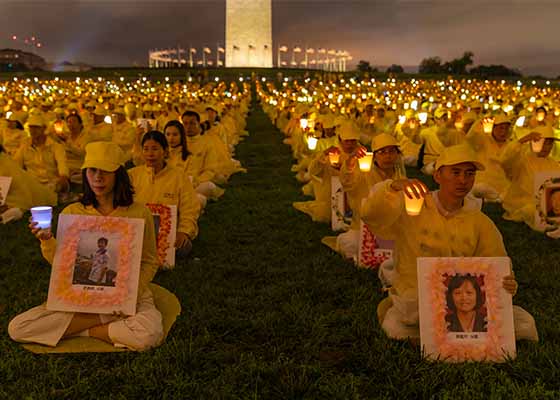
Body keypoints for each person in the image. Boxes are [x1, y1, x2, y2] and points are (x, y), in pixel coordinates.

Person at [361, 144, 538, 341]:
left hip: (464, 299)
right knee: (397, 326)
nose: (462, 180)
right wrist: (392, 186)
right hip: (418, 296)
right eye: (455, 172)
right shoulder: (414, 205)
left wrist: (507, 282)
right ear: (437, 176)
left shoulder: (480, 222)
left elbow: (497, 262)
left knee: (525, 324)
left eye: (469, 174)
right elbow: (370, 213)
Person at [8, 141, 164, 351]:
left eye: (105, 171)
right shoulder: (73, 212)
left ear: (118, 174)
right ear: (85, 173)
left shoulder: (138, 212)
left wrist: (131, 294)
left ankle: (78, 329)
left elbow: (149, 260)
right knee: (18, 328)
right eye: (92, 170)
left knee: (148, 334)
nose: (98, 177)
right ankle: (104, 319)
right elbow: (62, 264)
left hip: (129, 291)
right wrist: (46, 240)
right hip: (83, 296)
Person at [128, 131, 200, 259]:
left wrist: (183, 231)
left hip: (167, 232)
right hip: (138, 230)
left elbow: (189, 207)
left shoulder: (178, 176)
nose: (150, 154)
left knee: (183, 248)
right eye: (146, 149)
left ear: (165, 151)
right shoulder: (132, 175)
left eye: (155, 149)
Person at [501, 125, 560, 229]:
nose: (547, 147)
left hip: (550, 205)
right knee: (531, 211)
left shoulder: (553, 164)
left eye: (550, 143)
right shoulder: (521, 160)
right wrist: (522, 141)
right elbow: (506, 160)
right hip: (523, 204)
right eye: (544, 143)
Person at [13, 115, 70, 198]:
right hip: (32, 184)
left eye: (36, 127)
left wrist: (63, 177)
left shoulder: (55, 146)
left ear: (44, 128)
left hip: (52, 183)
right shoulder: (25, 145)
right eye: (31, 128)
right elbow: (16, 165)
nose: (33, 130)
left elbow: (62, 166)